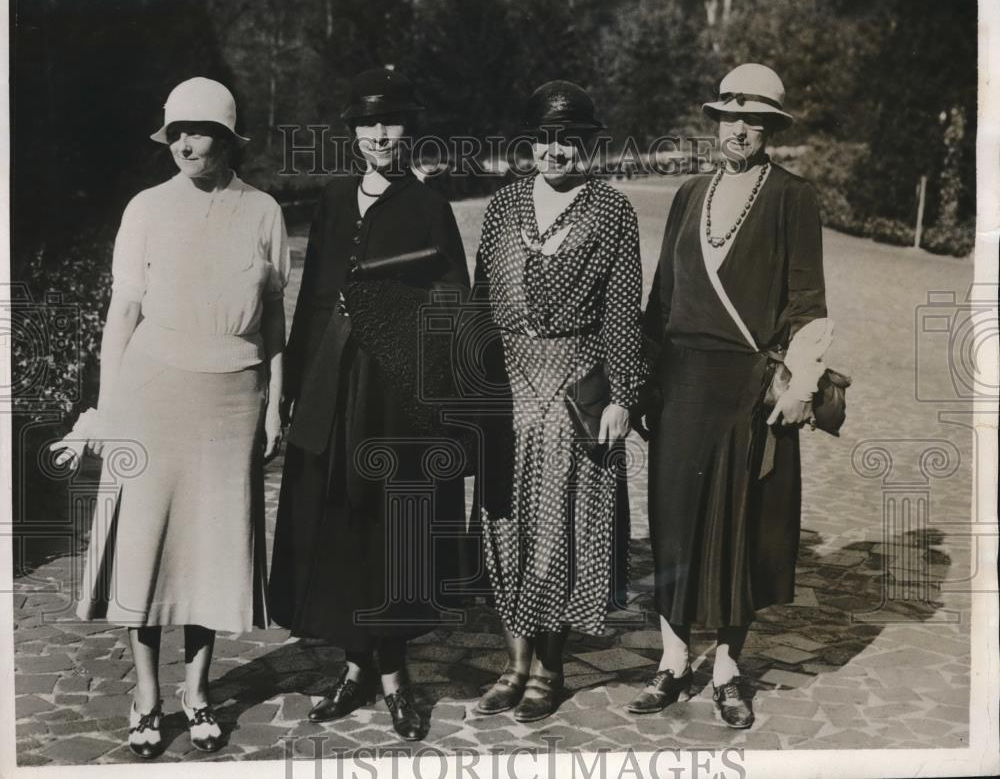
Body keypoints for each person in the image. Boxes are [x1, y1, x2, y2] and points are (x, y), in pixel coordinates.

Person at [53, 77, 289, 758]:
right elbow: (122, 313)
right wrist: (107, 405)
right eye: (177, 131)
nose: (187, 143)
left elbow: (274, 316)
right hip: (154, 393)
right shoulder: (146, 208)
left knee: (212, 551)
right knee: (146, 548)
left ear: (228, 137)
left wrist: (275, 402)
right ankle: (147, 695)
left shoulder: (263, 210)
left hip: (232, 400)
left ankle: (199, 689)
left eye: (202, 130)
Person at [267, 67, 470, 742]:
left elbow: (453, 306)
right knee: (340, 524)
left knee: (395, 529)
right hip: (332, 385)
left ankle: (393, 674)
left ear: (407, 132)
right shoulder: (331, 199)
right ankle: (356, 665)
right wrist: (293, 388)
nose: (381, 136)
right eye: (369, 125)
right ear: (354, 133)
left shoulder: (429, 205)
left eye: (392, 125)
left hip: (395, 397)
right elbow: (314, 298)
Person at [630, 63, 831, 729]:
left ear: (770, 128)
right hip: (680, 386)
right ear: (714, 122)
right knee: (674, 519)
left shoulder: (792, 197)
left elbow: (807, 301)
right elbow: (660, 302)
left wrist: (802, 384)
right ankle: (671, 656)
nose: (738, 128)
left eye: (754, 119)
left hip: (746, 387)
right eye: (728, 116)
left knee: (735, 528)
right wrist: (640, 382)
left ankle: (725, 667)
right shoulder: (690, 193)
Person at [473, 81, 645, 722]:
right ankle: (512, 663)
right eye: (545, 138)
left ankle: (549, 667)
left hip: (575, 388)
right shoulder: (504, 205)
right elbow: (477, 303)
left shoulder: (611, 210)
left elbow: (624, 313)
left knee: (561, 529)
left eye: (568, 139)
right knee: (504, 524)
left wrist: (623, 395)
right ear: (531, 143)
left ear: (588, 144)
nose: (555, 150)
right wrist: (471, 387)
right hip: (508, 388)